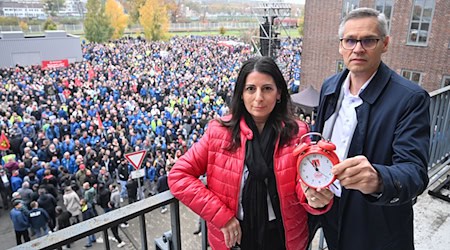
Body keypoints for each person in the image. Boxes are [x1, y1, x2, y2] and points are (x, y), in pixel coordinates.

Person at [168, 56, 333, 250]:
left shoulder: (298, 132)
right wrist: (221, 216)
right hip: (235, 235)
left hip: (283, 236)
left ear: (279, 93)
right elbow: (179, 176)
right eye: (251, 89)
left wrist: (313, 198)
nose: (259, 98)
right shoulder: (219, 133)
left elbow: (301, 184)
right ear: (241, 94)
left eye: (267, 89)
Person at [309, 8, 430, 250]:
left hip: (377, 224)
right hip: (333, 210)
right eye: (350, 40)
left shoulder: (410, 98)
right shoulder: (330, 86)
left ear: (385, 44)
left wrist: (377, 179)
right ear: (340, 46)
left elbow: (415, 173)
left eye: (368, 40)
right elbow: (318, 142)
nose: (358, 48)